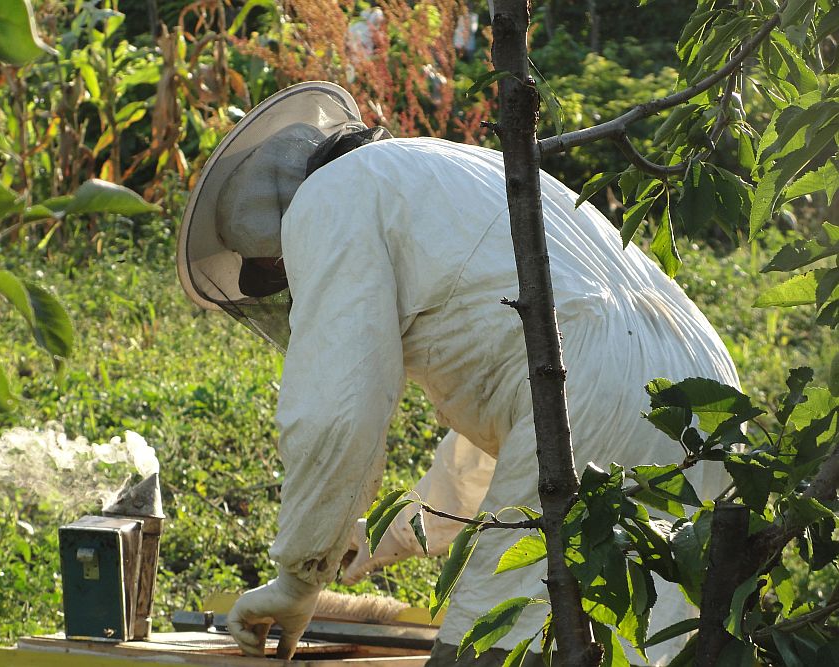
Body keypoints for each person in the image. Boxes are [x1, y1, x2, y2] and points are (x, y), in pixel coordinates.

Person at [176, 81, 738, 666]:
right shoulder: (441, 166)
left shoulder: (327, 200)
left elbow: (337, 413)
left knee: (491, 651)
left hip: (597, 395)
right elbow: (525, 408)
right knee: (641, 638)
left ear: (276, 238)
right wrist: (391, 533)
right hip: (706, 392)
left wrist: (298, 577)